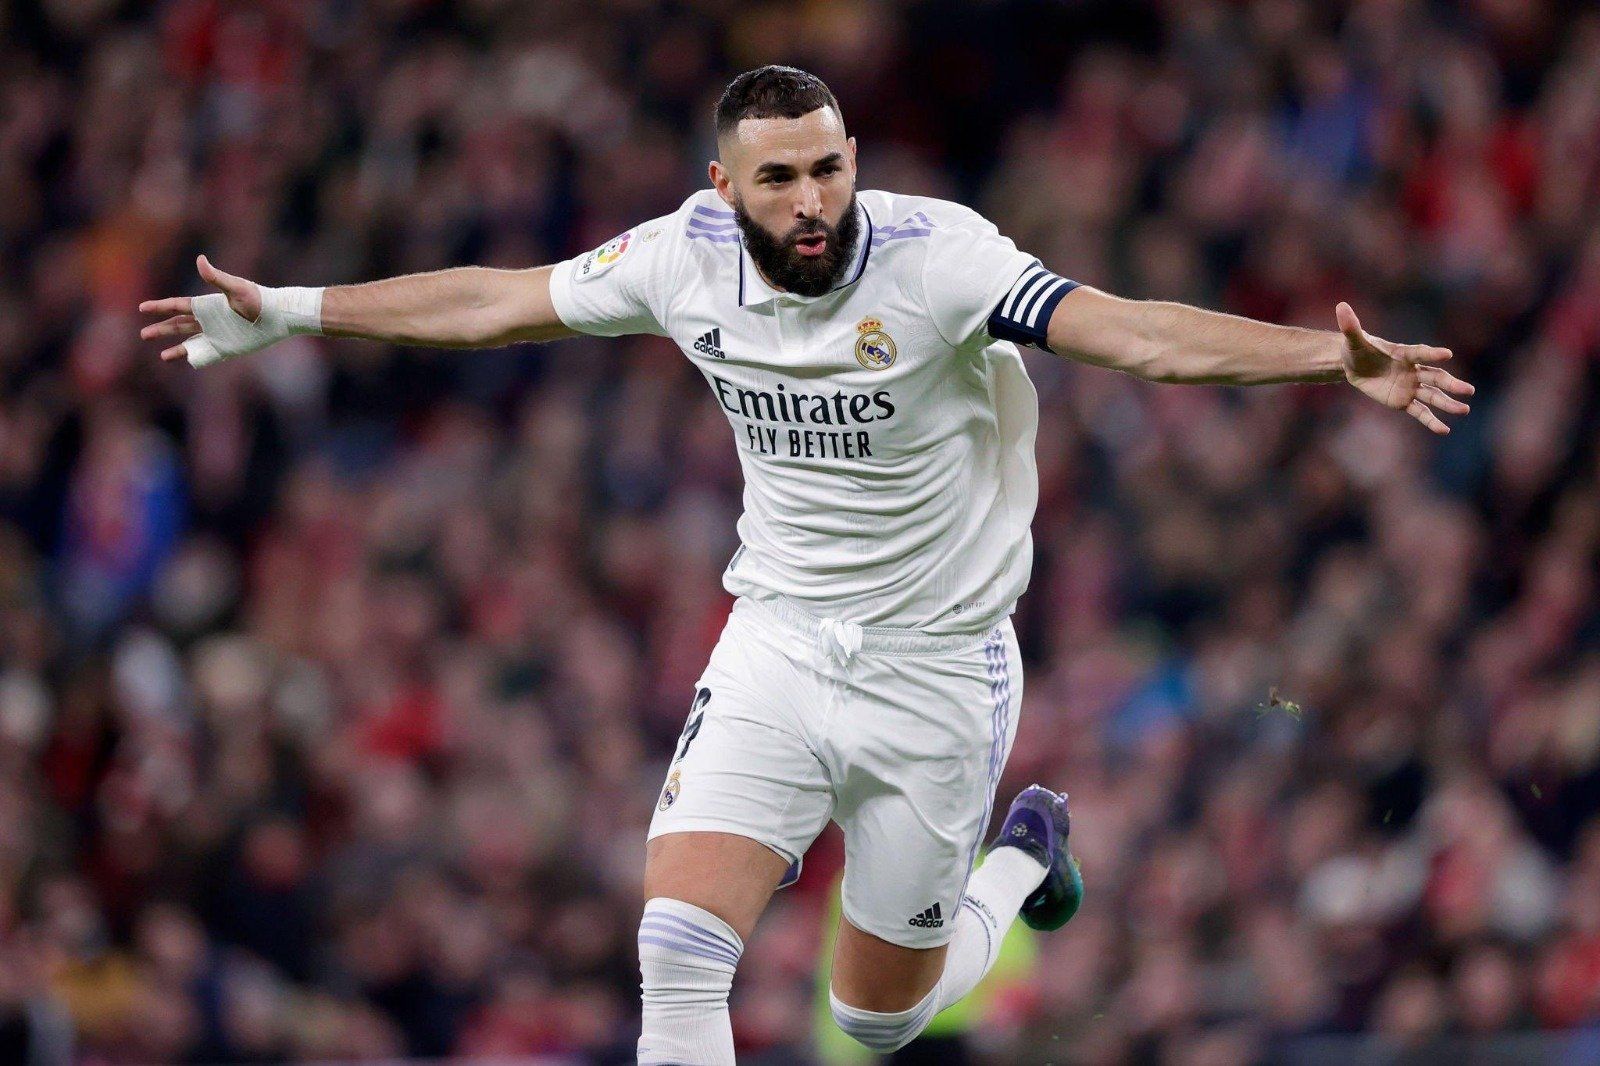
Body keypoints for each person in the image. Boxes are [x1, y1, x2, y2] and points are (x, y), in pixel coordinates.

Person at [138, 65, 1474, 1064]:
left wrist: (1324, 356)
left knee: (870, 1020)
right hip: (777, 639)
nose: (812, 198)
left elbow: (1133, 334)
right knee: (673, 952)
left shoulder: (941, 257)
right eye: (778, 178)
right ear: (729, 190)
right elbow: (499, 299)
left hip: (937, 670)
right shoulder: (685, 260)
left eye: (827, 167)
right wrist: (294, 312)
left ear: (854, 162)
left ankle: (1023, 855)